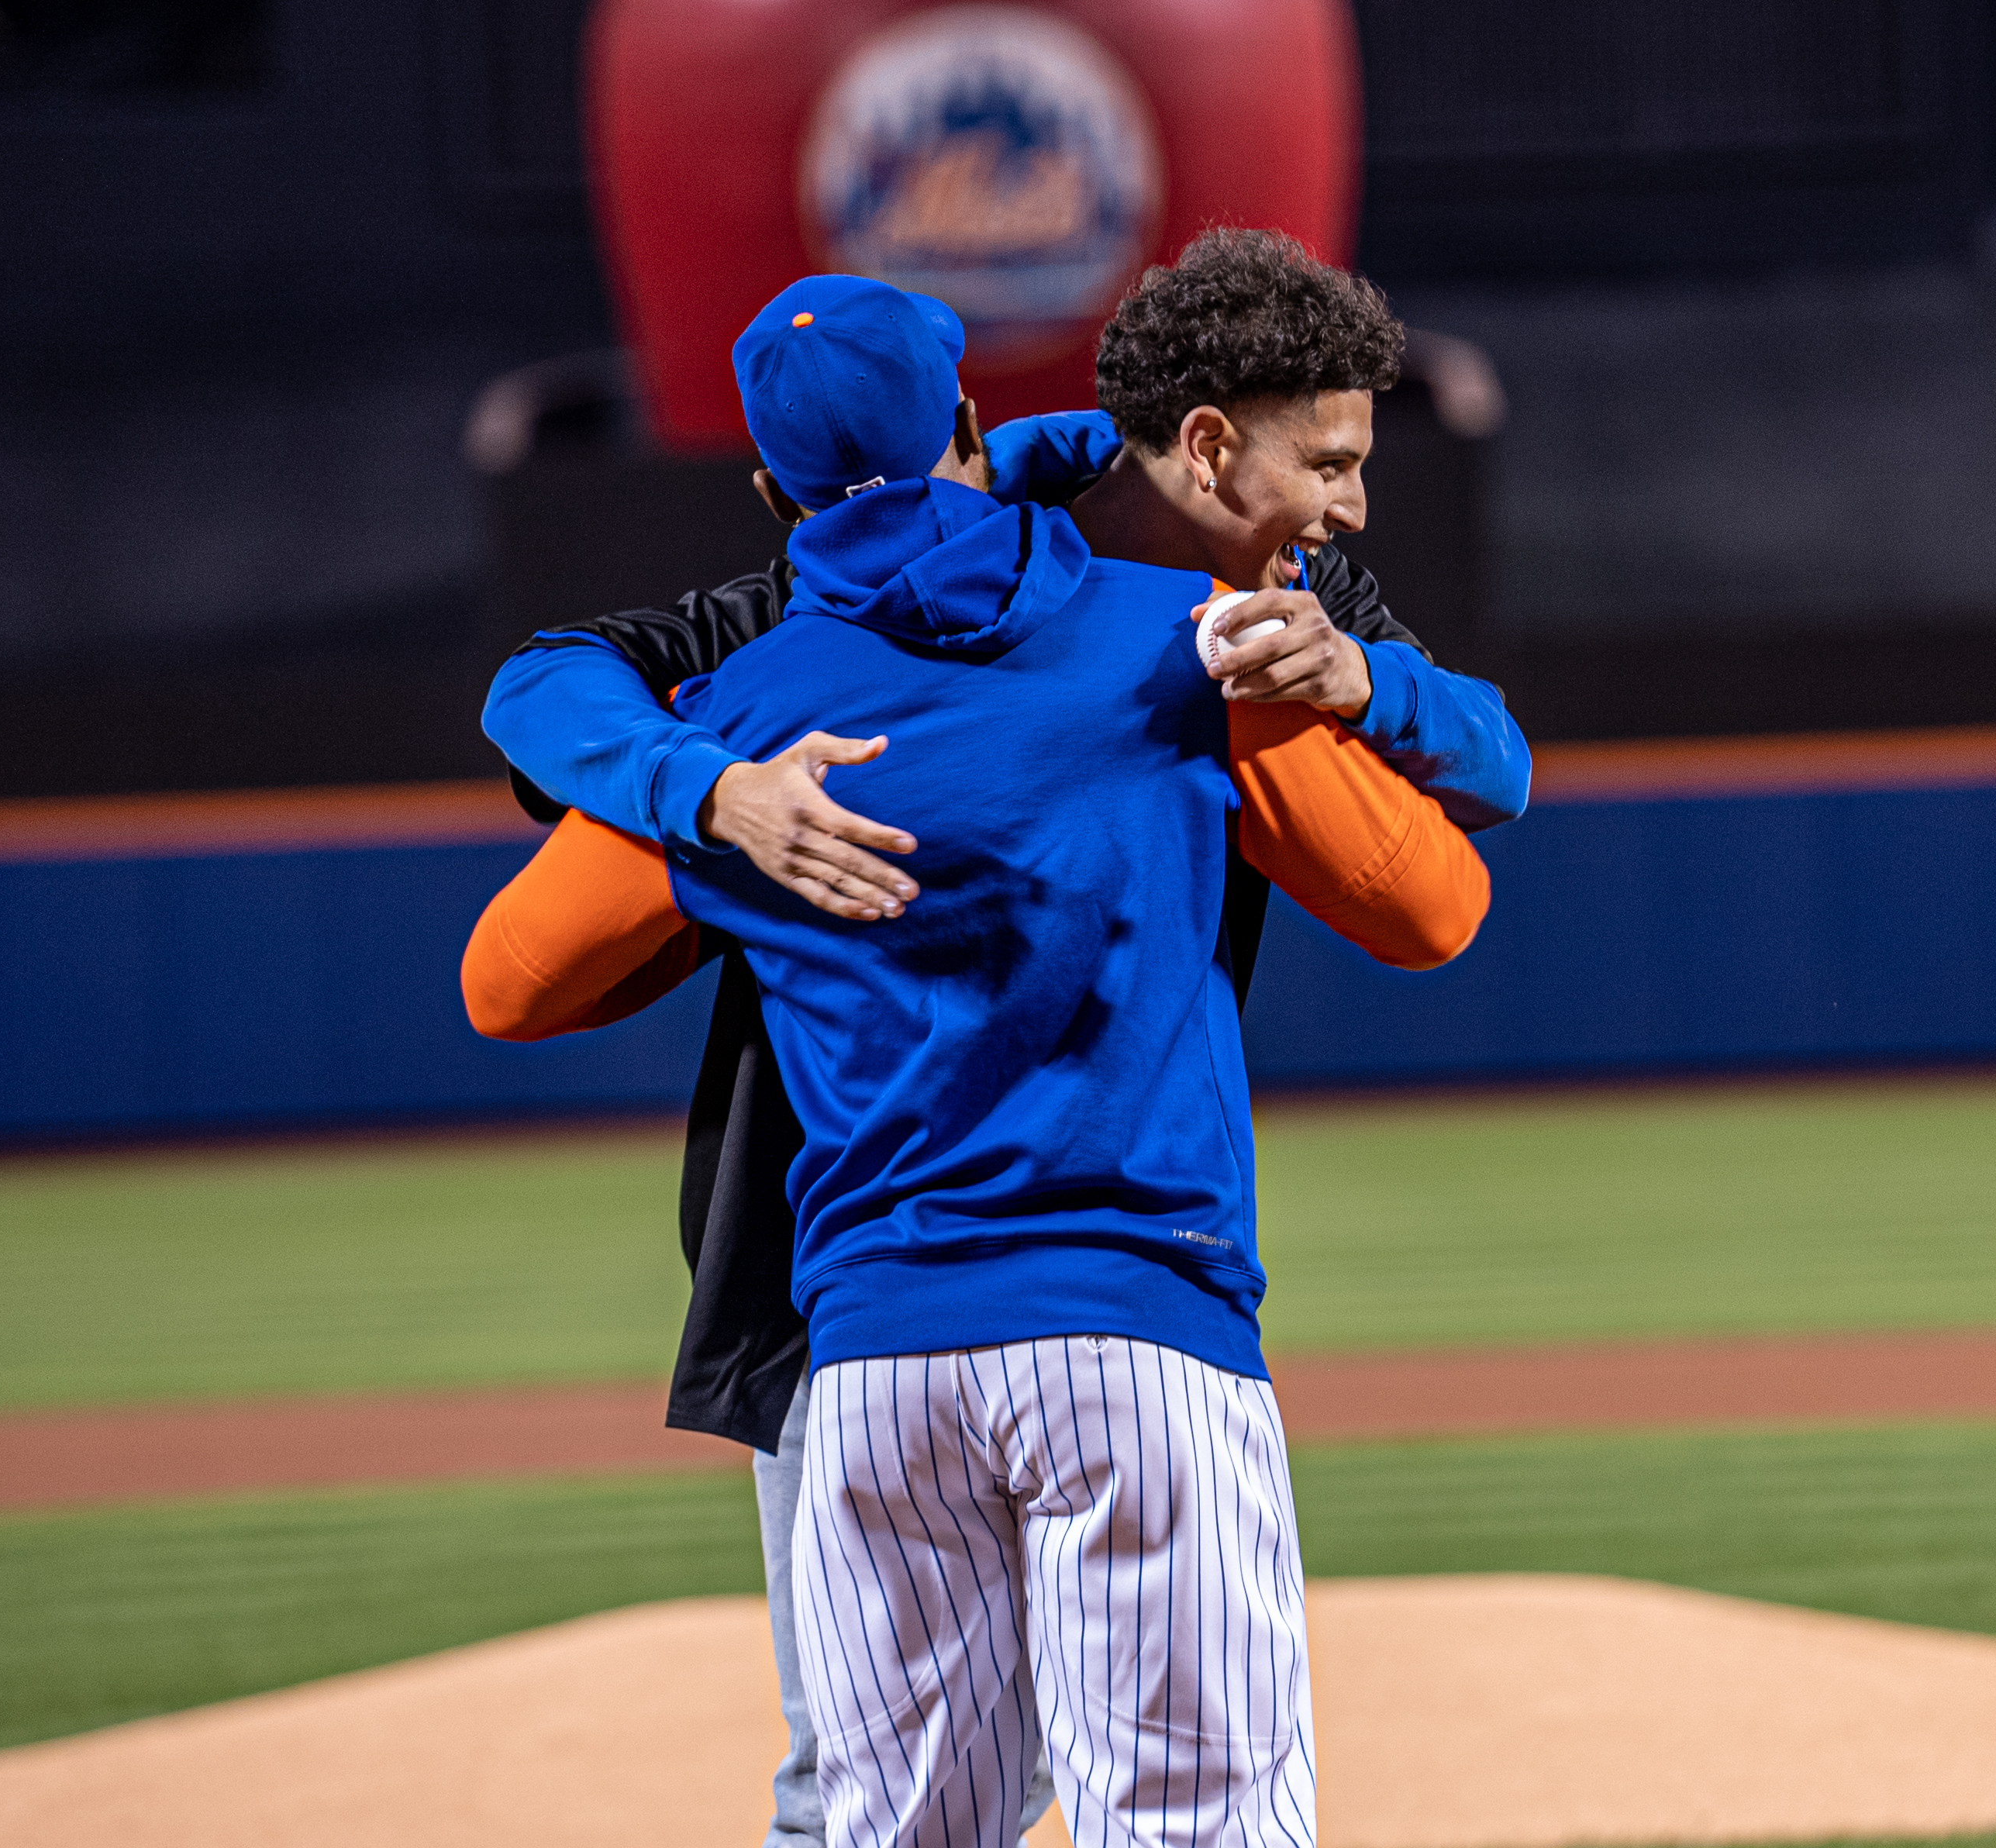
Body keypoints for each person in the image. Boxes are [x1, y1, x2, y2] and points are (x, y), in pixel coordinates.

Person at [479, 257, 1527, 1848]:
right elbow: (1436, 902)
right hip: (1124, 1308)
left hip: (867, 1325)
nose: (1349, 507)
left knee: (880, 1819)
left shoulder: (748, 693)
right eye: (1330, 465)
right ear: (980, 415)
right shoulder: (1199, 635)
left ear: (769, 481)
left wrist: (703, 794)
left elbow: (511, 975)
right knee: (1189, 1820)